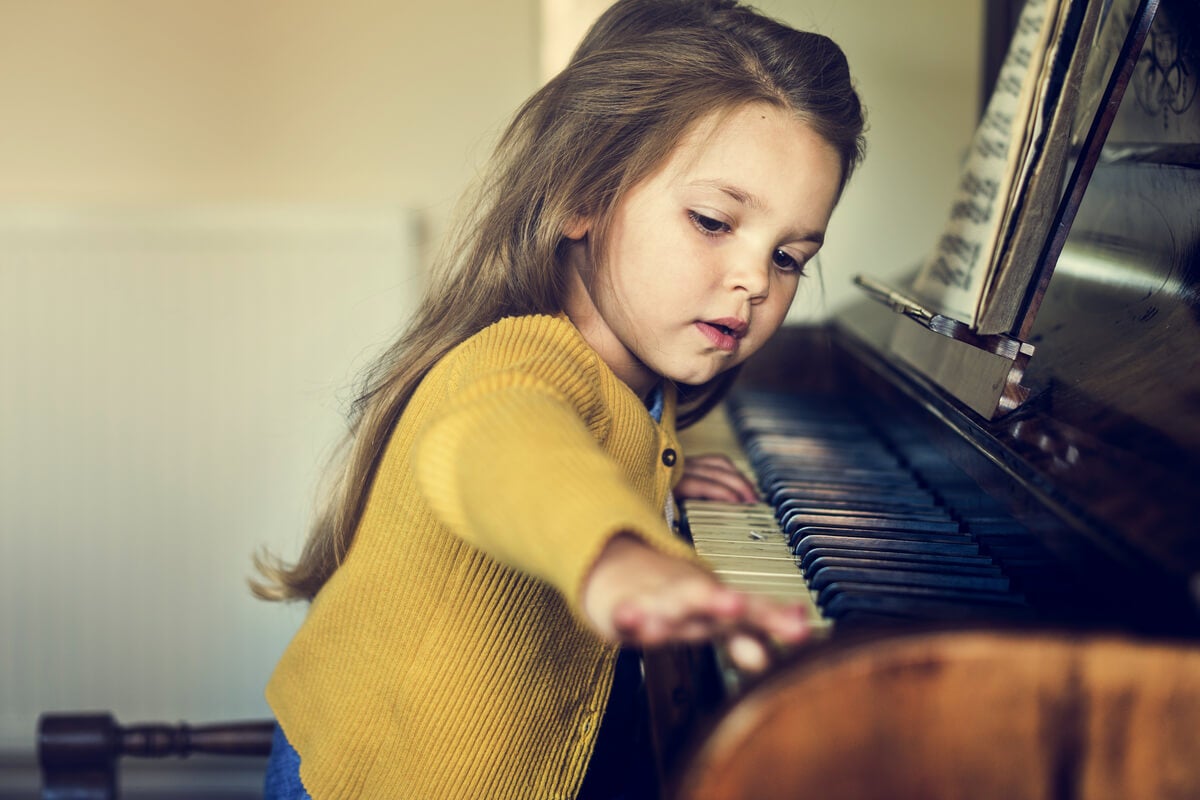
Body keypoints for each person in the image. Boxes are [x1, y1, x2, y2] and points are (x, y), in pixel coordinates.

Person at [251, 0, 865, 797]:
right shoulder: (514, 362)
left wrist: (654, 479)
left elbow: (592, 440)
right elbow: (508, 449)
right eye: (713, 221)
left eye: (788, 257)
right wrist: (616, 552)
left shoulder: (642, 371)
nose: (754, 280)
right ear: (582, 195)